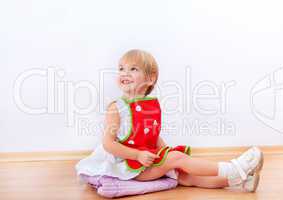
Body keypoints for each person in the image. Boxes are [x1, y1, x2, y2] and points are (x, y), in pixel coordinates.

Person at [75, 49, 264, 192]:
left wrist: (165, 151)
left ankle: (237, 181)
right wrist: (137, 155)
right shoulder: (117, 107)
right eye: (121, 69)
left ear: (150, 79)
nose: (124, 73)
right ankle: (234, 168)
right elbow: (108, 144)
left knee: (186, 175)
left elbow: (152, 136)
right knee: (177, 159)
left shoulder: (151, 105)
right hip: (130, 166)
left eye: (133, 69)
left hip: (146, 160)